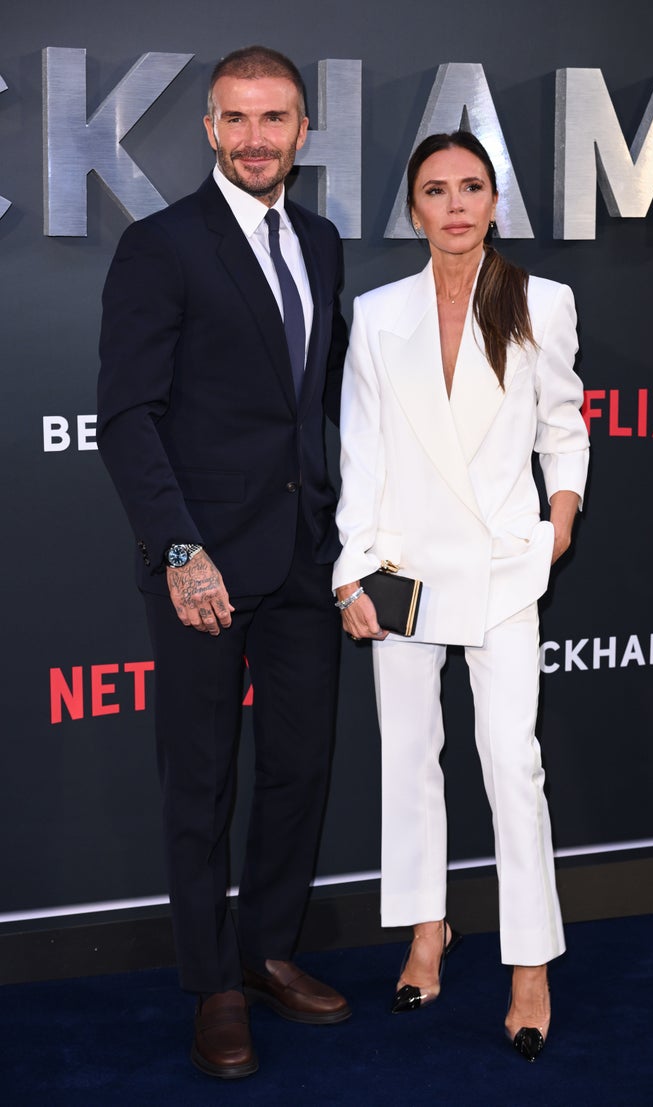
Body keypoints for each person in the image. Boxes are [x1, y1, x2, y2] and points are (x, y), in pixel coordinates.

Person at [97, 45, 350, 1080]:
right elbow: (127, 415)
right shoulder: (163, 246)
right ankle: (211, 985)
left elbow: (316, 408)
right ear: (209, 129)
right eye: (236, 119)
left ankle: (268, 950)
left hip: (303, 556)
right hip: (203, 561)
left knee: (298, 770)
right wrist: (180, 550)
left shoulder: (324, 242)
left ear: (302, 130)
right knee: (201, 780)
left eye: (275, 119)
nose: (256, 138)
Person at [332, 131, 589, 1061]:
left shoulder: (538, 301)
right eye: (435, 190)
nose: (454, 204)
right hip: (401, 566)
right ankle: (426, 931)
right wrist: (350, 567)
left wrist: (556, 523)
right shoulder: (378, 311)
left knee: (510, 763)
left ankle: (529, 963)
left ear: (495, 202)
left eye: (471, 187)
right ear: (412, 210)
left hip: (502, 564)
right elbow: (362, 450)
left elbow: (565, 429)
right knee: (410, 756)